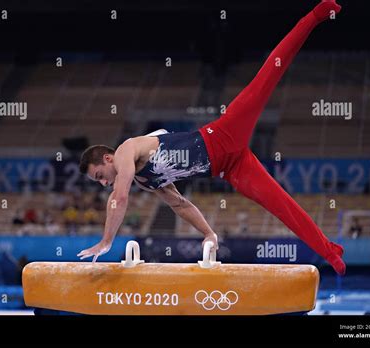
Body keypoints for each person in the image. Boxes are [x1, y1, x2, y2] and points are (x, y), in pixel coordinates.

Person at [77, 0, 346, 275]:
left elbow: (119, 197)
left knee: (268, 75)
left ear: (108, 158)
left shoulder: (127, 150)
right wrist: (209, 233)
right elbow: (181, 205)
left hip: (224, 133)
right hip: (230, 167)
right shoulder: (145, 181)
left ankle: (315, 15)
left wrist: (106, 241)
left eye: (99, 174)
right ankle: (330, 251)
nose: (102, 182)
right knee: (281, 205)